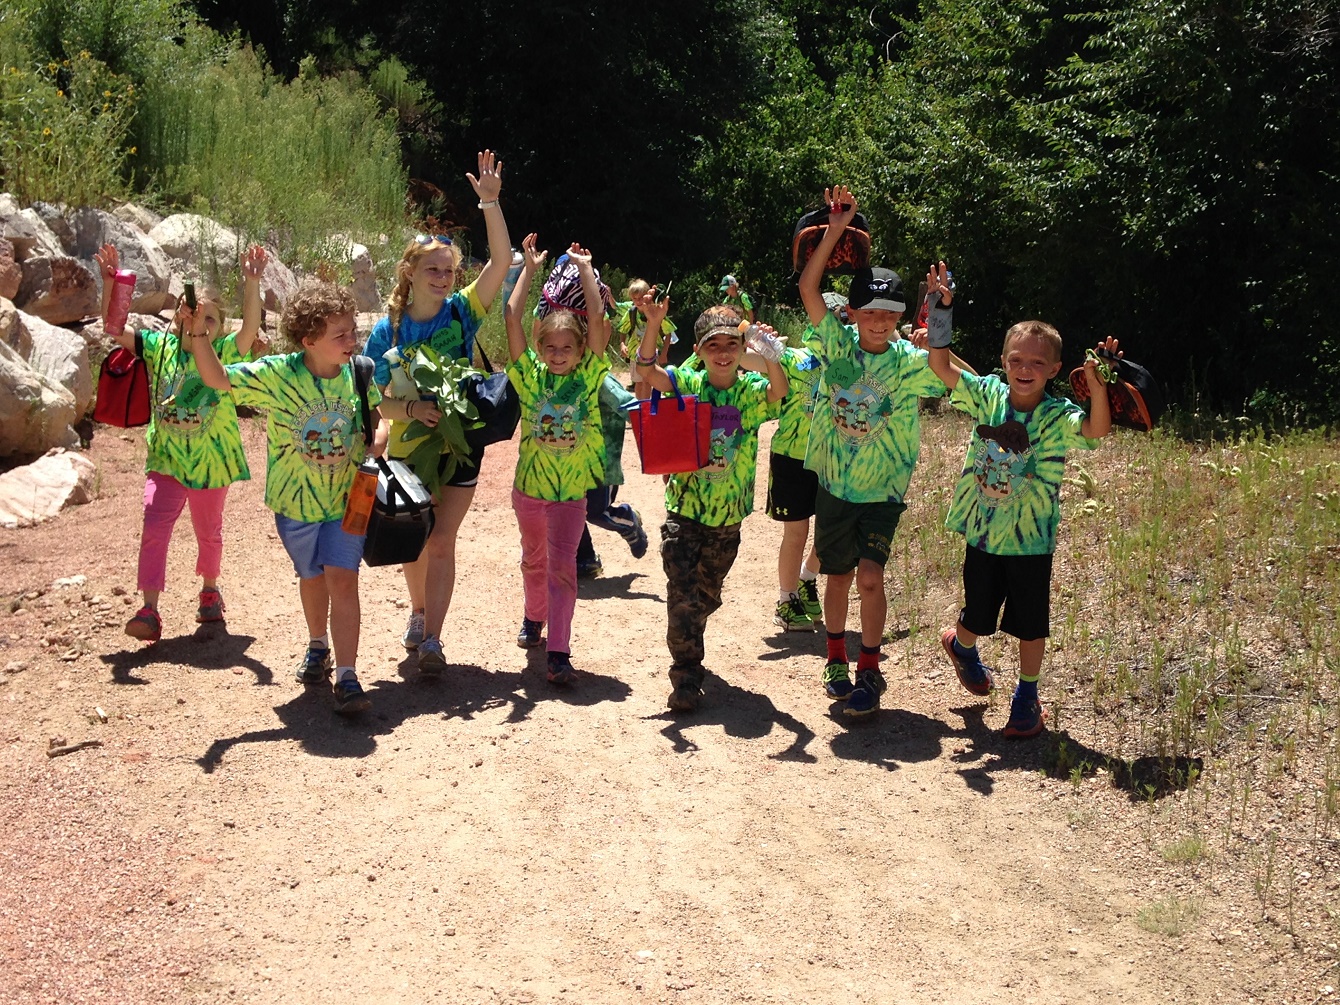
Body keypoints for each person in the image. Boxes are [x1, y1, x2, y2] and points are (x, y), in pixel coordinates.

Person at [922, 261, 1117, 738]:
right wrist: (939, 312)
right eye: (1015, 360)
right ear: (1004, 361)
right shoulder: (987, 395)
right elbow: (939, 365)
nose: (1024, 369)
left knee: (1030, 624)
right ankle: (963, 645)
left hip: (1031, 542)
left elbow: (1096, 430)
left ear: (1053, 369)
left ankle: (1027, 698)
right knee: (980, 614)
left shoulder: (1057, 416)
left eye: (1035, 363)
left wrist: (1098, 385)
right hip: (984, 534)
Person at [187, 280, 398, 715]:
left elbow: (377, 416)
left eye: (351, 332)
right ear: (308, 340)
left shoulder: (359, 370)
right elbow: (217, 378)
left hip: (348, 500)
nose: (351, 342)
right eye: (339, 335)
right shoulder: (279, 374)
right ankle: (317, 644)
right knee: (312, 576)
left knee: (343, 578)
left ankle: (348, 676)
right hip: (295, 507)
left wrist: (378, 439)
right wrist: (198, 335)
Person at [798, 185, 948, 717]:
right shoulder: (836, 345)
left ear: (902, 315)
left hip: (884, 492)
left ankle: (870, 665)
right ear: (855, 312)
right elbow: (810, 288)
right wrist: (835, 230)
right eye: (870, 311)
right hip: (836, 488)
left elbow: (951, 371)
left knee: (870, 576)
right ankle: (835, 654)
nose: (879, 321)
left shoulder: (910, 362)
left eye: (890, 312)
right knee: (837, 577)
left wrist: (942, 312)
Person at [362, 150, 513, 675]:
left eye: (449, 271)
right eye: (433, 269)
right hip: (410, 447)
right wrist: (409, 406)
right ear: (409, 272)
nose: (444, 278)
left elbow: (501, 261)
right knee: (414, 537)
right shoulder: (388, 332)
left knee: (443, 539)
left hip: (461, 443)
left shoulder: (463, 311)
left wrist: (488, 203)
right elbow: (375, 400)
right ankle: (419, 610)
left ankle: (433, 640)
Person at [94, 242, 267, 644]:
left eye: (209, 317)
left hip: (212, 463)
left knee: (209, 532)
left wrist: (252, 282)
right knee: (155, 529)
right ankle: (149, 608)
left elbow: (250, 328)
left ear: (218, 326)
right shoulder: (159, 348)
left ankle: (210, 588)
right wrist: (112, 287)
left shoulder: (224, 352)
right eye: (192, 312)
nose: (198, 320)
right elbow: (115, 327)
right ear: (177, 317)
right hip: (167, 459)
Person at [635, 296, 788, 712]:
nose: (723, 354)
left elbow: (781, 389)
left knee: (706, 596)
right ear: (699, 352)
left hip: (728, 520)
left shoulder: (752, 392)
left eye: (731, 346)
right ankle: (686, 677)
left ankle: (692, 631)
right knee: (682, 597)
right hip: (683, 513)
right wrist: (653, 325)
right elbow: (646, 372)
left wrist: (771, 355)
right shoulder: (688, 383)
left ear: (742, 351)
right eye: (713, 346)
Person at [504, 235, 612, 684]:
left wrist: (586, 271)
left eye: (567, 348)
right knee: (534, 561)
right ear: (540, 347)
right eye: (550, 347)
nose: (558, 354)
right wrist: (528, 270)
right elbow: (511, 316)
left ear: (580, 351)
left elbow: (601, 326)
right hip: (529, 492)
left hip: (570, 494)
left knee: (564, 567)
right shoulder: (529, 376)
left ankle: (559, 652)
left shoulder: (588, 376)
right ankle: (534, 616)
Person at [741, 325, 823, 633]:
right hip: (792, 457)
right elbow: (746, 361)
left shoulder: (850, 361)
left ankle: (807, 577)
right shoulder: (794, 358)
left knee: (831, 532)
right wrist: (753, 340)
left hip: (833, 459)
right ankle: (786, 601)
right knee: (797, 533)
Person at [573, 372, 649, 578]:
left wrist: (660, 423)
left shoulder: (600, 378)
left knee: (595, 512)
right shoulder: (556, 376)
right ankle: (585, 559)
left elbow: (630, 407)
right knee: (568, 510)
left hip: (601, 466)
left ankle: (627, 520)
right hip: (568, 465)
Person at [613, 279, 677, 400]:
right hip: (634, 354)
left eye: (641, 298)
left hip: (653, 354)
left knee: (647, 380)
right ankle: (640, 405)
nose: (638, 301)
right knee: (638, 382)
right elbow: (623, 330)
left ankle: (645, 406)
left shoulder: (656, 310)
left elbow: (668, 333)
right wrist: (622, 344)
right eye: (634, 299)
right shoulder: (631, 313)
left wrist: (664, 353)